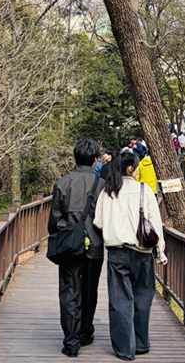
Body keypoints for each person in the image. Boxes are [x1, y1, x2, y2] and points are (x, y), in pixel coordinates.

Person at [94, 150, 166, 361]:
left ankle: (125, 349)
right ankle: (142, 343)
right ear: (130, 168)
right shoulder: (145, 190)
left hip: (117, 252)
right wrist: (160, 252)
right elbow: (155, 225)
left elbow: (98, 221)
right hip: (142, 252)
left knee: (120, 300)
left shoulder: (107, 191)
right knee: (143, 298)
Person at [49, 138, 105, 357]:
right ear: (95, 160)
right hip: (94, 247)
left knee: (69, 292)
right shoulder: (102, 185)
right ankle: (85, 333)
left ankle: (71, 341)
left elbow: (54, 221)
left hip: (70, 247)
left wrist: (64, 232)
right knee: (89, 291)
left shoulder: (62, 183)